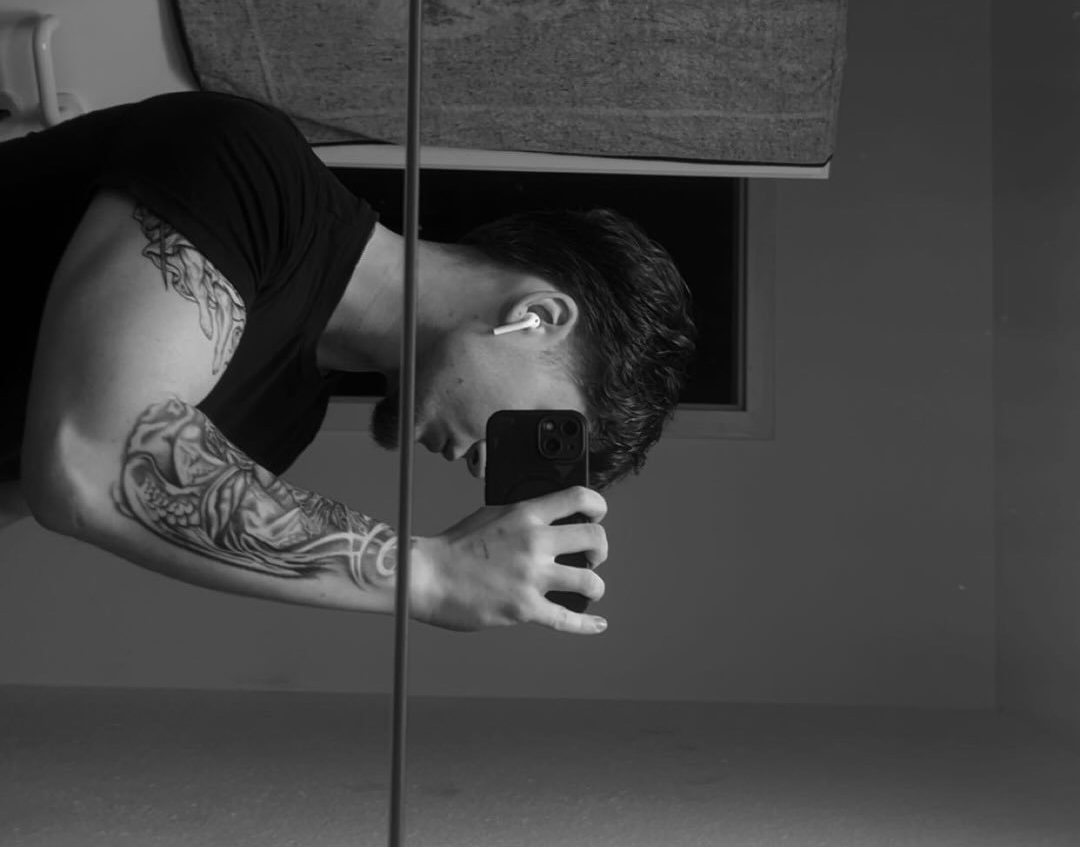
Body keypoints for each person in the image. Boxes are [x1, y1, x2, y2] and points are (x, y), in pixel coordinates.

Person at [1, 91, 696, 635]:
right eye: (543, 431)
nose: (486, 469)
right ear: (537, 316)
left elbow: (27, 492)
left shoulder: (281, 424)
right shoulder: (249, 167)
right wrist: (432, 574)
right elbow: (91, 461)